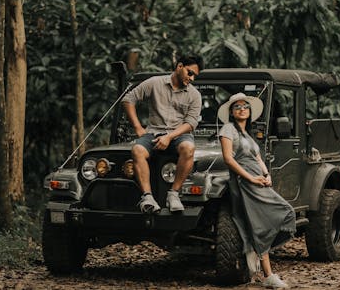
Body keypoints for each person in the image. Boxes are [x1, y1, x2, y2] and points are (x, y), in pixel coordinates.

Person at [218, 93, 296, 289]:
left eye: (245, 106)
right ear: (231, 112)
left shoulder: (248, 134)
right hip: (244, 182)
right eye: (237, 107)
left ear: (250, 111)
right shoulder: (228, 129)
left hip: (259, 180)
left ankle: (260, 259)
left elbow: (259, 159)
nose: (242, 109)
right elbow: (228, 159)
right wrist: (250, 178)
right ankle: (268, 274)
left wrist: (267, 174)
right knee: (261, 222)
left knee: (283, 213)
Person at [122, 55, 203, 213]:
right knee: (137, 150)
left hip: (179, 135)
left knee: (189, 148)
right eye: (190, 73)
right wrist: (138, 127)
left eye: (195, 76)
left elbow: (190, 124)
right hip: (153, 132)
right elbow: (128, 99)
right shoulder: (155, 83)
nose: (192, 78)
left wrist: (169, 137)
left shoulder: (194, 95)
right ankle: (147, 197)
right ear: (180, 66)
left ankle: (173, 194)